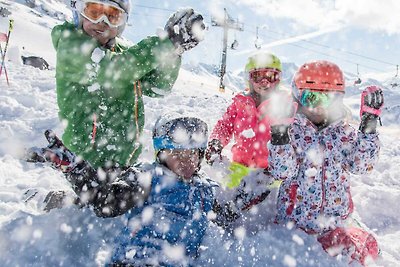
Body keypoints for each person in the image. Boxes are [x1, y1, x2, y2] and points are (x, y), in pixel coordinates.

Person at [38, 113, 271, 266]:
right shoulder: (147, 177)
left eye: (191, 154)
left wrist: (243, 200)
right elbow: (105, 204)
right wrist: (74, 169)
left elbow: (223, 215)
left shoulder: (206, 190)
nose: (185, 161)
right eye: (176, 154)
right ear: (161, 155)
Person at [47, 0, 205, 169]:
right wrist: (165, 44)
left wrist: (174, 51)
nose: (101, 22)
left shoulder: (124, 52)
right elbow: (114, 72)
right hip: (83, 162)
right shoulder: (71, 44)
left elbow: (158, 86)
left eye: (112, 16)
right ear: (79, 12)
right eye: (94, 12)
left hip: (122, 162)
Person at [265, 60, 384, 265]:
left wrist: (369, 126)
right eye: (311, 97)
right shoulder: (292, 130)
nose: (318, 106)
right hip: (296, 224)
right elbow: (281, 171)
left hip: (334, 223)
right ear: (297, 96)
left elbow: (362, 166)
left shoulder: (343, 132)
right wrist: (280, 133)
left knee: (362, 251)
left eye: (327, 98)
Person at [205, 52, 282, 188]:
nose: (265, 82)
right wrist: (216, 142)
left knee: (266, 206)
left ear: (278, 80)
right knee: (228, 201)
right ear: (249, 79)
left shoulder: (282, 106)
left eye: (270, 77)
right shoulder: (240, 103)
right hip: (238, 169)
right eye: (258, 77)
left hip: (269, 173)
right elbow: (225, 125)